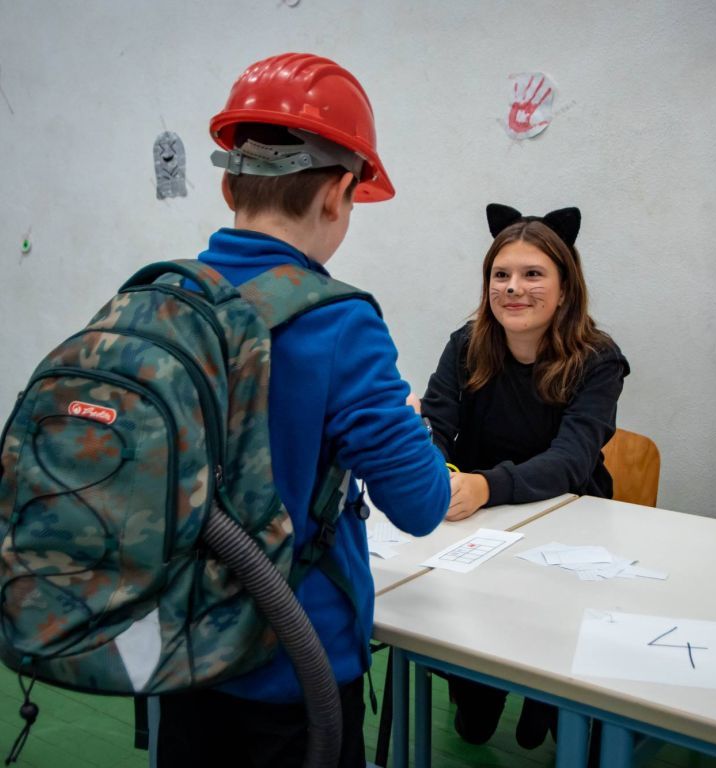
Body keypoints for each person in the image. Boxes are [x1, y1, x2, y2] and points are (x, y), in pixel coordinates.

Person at [156, 53, 451, 768]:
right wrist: (405, 421)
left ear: (227, 184)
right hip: (293, 671)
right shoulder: (339, 323)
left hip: (181, 651)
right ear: (340, 193)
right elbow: (421, 504)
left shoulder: (167, 298)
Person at [419, 203, 630, 749]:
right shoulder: (465, 345)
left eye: (533, 274)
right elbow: (435, 425)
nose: (513, 288)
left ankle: (545, 701)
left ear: (565, 287)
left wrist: (487, 486)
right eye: (501, 275)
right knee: (472, 718)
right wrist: (435, 469)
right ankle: (481, 692)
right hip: (476, 524)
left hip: (568, 525)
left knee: (554, 667)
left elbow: (571, 459)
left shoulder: (598, 360)